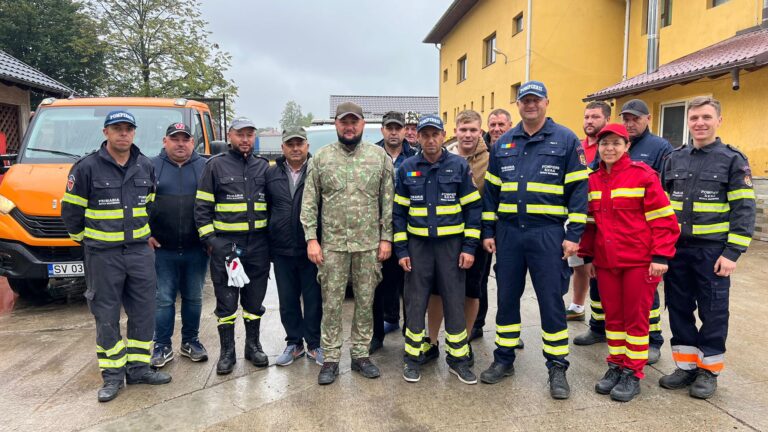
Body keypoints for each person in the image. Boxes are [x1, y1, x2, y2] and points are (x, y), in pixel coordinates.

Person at [479, 81, 588, 400]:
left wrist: (573, 235)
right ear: (518, 105)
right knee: (507, 298)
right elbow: (492, 193)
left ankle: (557, 367)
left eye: (535, 100)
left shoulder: (566, 140)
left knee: (551, 301)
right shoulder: (503, 143)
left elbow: (579, 191)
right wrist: (489, 231)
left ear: (546, 102)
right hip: (509, 234)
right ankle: (504, 359)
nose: (530, 105)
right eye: (524, 100)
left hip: (548, 235)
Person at [61, 110, 170, 403]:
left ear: (134, 132)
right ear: (106, 132)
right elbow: (71, 213)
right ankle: (112, 376)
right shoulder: (86, 167)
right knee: (106, 315)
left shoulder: (145, 165)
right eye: (117, 128)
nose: (123, 133)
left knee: (144, 311)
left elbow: (149, 205)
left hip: (139, 253)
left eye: (128, 128)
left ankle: (139, 369)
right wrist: (89, 242)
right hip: (103, 256)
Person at [659, 96, 755, 399]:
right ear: (688, 122)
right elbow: (661, 206)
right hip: (677, 250)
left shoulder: (732, 160)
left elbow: (744, 209)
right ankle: (686, 366)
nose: (700, 123)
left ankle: (708, 370)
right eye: (694, 118)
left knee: (713, 311)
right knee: (679, 308)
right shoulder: (674, 158)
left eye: (706, 117)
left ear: (718, 121)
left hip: (712, 253)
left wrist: (732, 253)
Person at [578, 123, 679, 402]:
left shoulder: (643, 176)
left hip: (639, 262)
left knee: (636, 319)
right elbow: (590, 224)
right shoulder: (593, 180)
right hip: (606, 262)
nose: (609, 148)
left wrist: (660, 256)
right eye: (604, 143)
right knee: (613, 318)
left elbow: (664, 220)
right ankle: (616, 364)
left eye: (616, 143)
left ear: (627, 146)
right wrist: (588, 256)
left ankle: (633, 372)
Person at [301, 101, 394, 385]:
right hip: (333, 246)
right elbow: (309, 202)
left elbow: (388, 202)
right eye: (344, 122)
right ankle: (330, 358)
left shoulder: (379, 157)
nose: (349, 127)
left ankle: (360, 355)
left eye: (354, 122)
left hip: (368, 246)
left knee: (365, 302)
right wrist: (311, 239)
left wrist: (386, 238)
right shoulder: (321, 158)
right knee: (331, 304)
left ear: (363, 124)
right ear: (337, 124)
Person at [393, 114, 482, 384]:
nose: (430, 140)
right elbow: (398, 213)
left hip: (451, 248)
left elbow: (473, 209)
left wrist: (469, 247)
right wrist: (402, 251)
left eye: (435, 134)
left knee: (454, 301)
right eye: (425, 135)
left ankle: (458, 359)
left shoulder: (459, 166)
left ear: (443, 136)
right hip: (418, 248)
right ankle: (412, 358)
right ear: (418, 138)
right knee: (415, 302)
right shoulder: (407, 168)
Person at [195, 117, 271, 375]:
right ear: (230, 136)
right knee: (226, 304)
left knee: (254, 302)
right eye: (240, 134)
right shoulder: (214, 166)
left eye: (250, 134)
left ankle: (253, 347)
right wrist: (211, 241)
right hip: (226, 247)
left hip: (258, 246)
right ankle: (227, 352)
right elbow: (201, 208)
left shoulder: (263, 166)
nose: (245, 139)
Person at [424, 110, 488, 363]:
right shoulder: (443, 157)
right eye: (463, 130)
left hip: (476, 236)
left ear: (480, 132)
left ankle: (463, 341)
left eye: (473, 130)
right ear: (454, 132)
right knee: (437, 290)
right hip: (444, 236)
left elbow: (491, 200)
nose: (468, 135)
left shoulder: (491, 160)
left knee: (471, 291)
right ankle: (431, 341)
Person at [149, 123, 209, 368]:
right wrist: (145, 235)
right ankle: (162, 345)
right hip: (162, 248)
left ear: (193, 143)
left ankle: (190, 341)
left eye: (186, 139)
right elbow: (136, 203)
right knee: (163, 299)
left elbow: (216, 203)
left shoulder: (206, 167)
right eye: (175, 139)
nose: (181, 144)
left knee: (194, 297)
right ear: (165, 141)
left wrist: (211, 239)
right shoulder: (150, 167)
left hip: (197, 249)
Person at [267, 127, 323, 367]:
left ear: (307, 146)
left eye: (299, 143)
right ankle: (294, 343)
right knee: (287, 299)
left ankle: (314, 344)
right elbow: (266, 208)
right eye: (290, 144)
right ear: (282, 148)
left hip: (311, 248)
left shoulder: (317, 171)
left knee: (313, 299)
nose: (295, 148)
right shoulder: (271, 174)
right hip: (281, 249)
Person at [371, 111, 416, 352]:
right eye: (389, 128)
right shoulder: (371, 155)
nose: (394, 132)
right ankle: (377, 335)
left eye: (398, 128)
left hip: (410, 230)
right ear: (383, 130)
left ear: (404, 130)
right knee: (379, 285)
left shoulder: (415, 156)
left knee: (410, 286)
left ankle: (412, 334)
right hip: (380, 231)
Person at [566, 101, 610, 322]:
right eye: (587, 117)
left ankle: (603, 318)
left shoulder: (608, 148)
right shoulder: (577, 147)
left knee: (600, 269)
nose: (589, 121)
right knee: (579, 265)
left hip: (601, 219)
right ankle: (577, 306)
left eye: (595, 117)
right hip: (578, 215)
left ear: (607, 119)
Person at [472, 108, 513, 341]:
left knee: (508, 280)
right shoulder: (483, 151)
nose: (496, 129)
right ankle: (477, 323)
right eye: (493, 125)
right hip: (485, 225)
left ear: (510, 126)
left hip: (509, 224)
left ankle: (509, 327)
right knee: (481, 277)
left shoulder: (516, 149)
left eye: (501, 125)